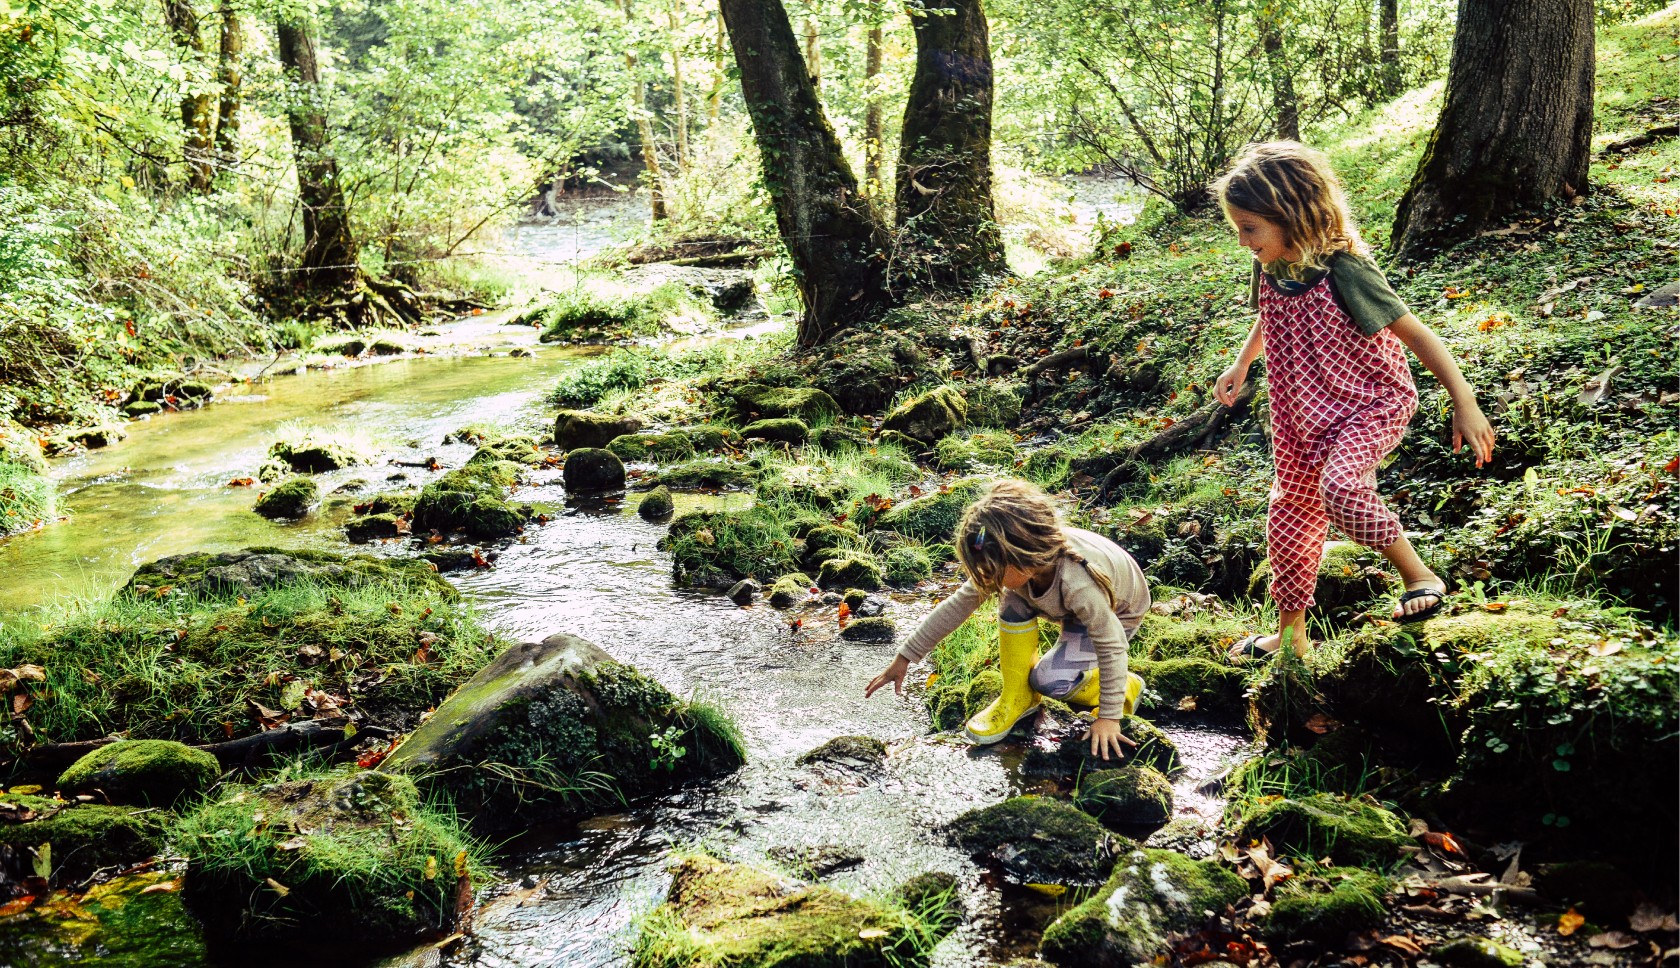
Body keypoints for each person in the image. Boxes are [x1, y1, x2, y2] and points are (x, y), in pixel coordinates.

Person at [1209, 141, 1496, 662]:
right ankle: (1291, 636)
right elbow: (1268, 317)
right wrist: (1243, 362)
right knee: (1290, 515)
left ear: (1291, 216)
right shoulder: (1271, 263)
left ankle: (1420, 576)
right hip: (1299, 414)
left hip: (1369, 403)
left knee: (1341, 488)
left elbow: (1417, 335)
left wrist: (1465, 402)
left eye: (1249, 228)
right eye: (1238, 229)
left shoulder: (1346, 271)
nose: (1243, 240)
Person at [864, 479, 1149, 761]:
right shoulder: (1015, 562)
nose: (986, 579)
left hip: (1118, 613)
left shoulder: (1079, 583)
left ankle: (1126, 686)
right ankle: (1017, 696)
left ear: (1023, 557)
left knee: (1049, 681)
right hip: (1069, 605)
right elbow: (957, 606)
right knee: (1011, 598)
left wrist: (1109, 717)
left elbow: (1111, 645)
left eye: (992, 572)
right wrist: (905, 657)